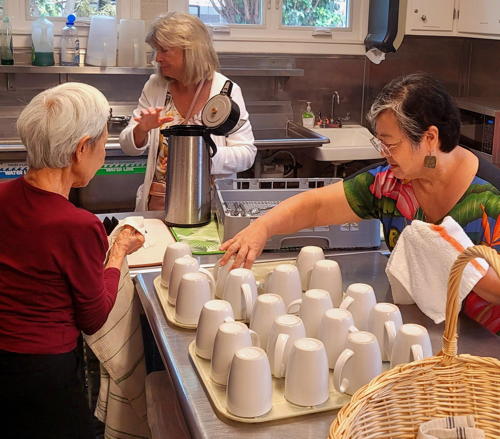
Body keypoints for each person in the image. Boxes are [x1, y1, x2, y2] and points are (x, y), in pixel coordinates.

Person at [220, 73, 500, 333]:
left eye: (391, 144)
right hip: (420, 333)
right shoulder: (389, 183)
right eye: (380, 144)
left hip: (485, 349)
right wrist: (262, 228)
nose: (384, 154)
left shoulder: (490, 198)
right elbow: (315, 206)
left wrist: (453, 256)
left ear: (429, 138)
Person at [0, 82, 145, 439]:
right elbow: (93, 317)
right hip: (42, 373)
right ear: (82, 148)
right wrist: (118, 252)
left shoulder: (2, 194)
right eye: (102, 142)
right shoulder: (77, 225)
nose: (103, 152)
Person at [120, 12, 256, 211]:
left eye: (164, 50)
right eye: (156, 50)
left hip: (208, 204)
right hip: (160, 201)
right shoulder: (155, 86)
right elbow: (128, 146)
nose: (157, 58)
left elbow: (247, 154)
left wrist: (197, 157)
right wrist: (141, 129)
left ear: (191, 51)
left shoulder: (226, 91)